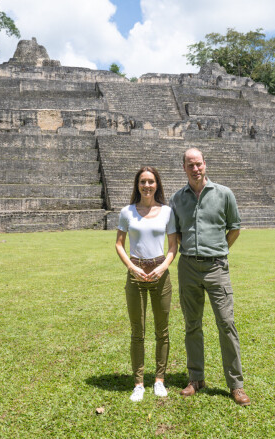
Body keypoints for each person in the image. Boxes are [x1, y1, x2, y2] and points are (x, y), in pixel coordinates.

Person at [169, 148, 251, 406]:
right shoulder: (177, 199)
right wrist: (191, 250)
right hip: (188, 267)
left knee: (226, 324)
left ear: (206, 164)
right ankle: (196, 378)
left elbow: (234, 227)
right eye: (190, 165)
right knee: (192, 324)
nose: (196, 169)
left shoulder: (224, 194)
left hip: (217, 267)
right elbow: (177, 233)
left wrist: (219, 250)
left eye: (199, 164)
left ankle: (236, 385)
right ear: (184, 168)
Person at [115, 166, 178, 402]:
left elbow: (173, 247)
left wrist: (162, 268)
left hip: (161, 272)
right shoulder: (127, 212)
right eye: (143, 182)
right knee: (137, 331)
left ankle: (159, 380)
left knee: (162, 331)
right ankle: (139, 383)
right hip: (136, 273)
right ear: (137, 185)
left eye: (151, 182)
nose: (147, 186)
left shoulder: (167, 212)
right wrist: (132, 268)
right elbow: (119, 245)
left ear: (157, 184)